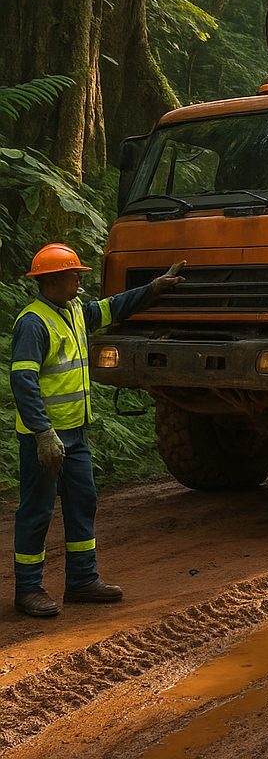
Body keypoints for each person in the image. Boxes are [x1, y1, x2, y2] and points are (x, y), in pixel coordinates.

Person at [10, 243, 185, 618]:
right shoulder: (33, 323)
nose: (79, 279)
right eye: (74, 274)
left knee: (83, 503)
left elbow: (112, 307)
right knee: (37, 511)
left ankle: (82, 581)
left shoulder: (73, 311)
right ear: (54, 279)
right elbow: (23, 382)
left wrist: (153, 289)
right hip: (46, 439)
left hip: (75, 433)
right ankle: (27, 589)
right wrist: (43, 434)